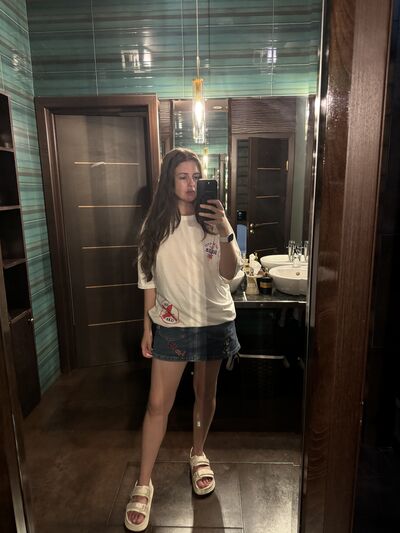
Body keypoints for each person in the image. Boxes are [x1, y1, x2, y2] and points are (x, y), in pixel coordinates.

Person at [124, 148, 242, 532]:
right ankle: (144, 483)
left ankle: (198, 453)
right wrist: (147, 327)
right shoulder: (155, 226)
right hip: (172, 326)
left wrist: (225, 229)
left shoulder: (215, 221)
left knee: (205, 395)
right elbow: (148, 280)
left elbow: (230, 272)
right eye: (183, 177)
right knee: (157, 404)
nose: (191, 184)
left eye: (196, 176)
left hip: (213, 321)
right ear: (169, 182)